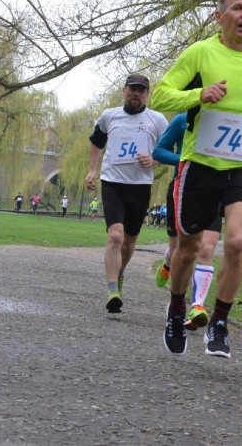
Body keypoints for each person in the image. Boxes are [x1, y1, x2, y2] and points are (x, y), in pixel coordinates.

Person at [151, 0, 242, 358]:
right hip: (199, 164)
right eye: (237, 8)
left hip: (240, 164)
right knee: (187, 251)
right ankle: (176, 310)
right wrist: (198, 95)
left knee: (236, 242)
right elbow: (160, 96)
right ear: (220, 17)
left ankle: (219, 321)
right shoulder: (201, 52)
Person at [85, 73, 168, 313]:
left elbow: (168, 151)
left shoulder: (157, 120)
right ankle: (112, 290)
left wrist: (153, 159)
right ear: (124, 91)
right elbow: (96, 141)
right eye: (132, 89)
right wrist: (92, 170)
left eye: (141, 90)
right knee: (116, 236)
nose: (136, 94)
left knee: (130, 240)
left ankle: (119, 274)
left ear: (147, 94)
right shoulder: (109, 116)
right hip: (112, 183)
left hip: (141, 186)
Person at [152, 111, 222, 331]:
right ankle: (167, 263)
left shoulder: (230, 118)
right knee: (179, 250)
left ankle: (197, 306)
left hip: (214, 190)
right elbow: (158, 151)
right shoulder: (183, 119)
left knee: (206, 250)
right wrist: (183, 160)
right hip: (182, 189)